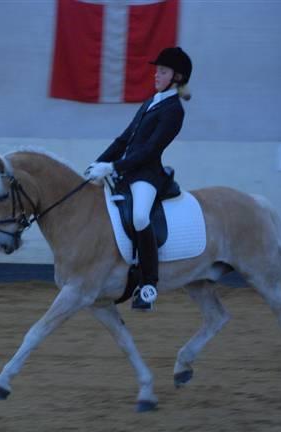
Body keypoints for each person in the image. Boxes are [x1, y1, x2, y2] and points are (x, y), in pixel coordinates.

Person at [86, 47, 192, 311]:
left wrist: (113, 167)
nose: (156, 75)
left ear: (177, 77)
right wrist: (98, 163)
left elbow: (150, 150)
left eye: (163, 71)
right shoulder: (151, 101)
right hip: (125, 170)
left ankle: (149, 285)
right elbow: (124, 139)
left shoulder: (174, 110)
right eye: (157, 70)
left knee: (140, 217)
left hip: (146, 174)